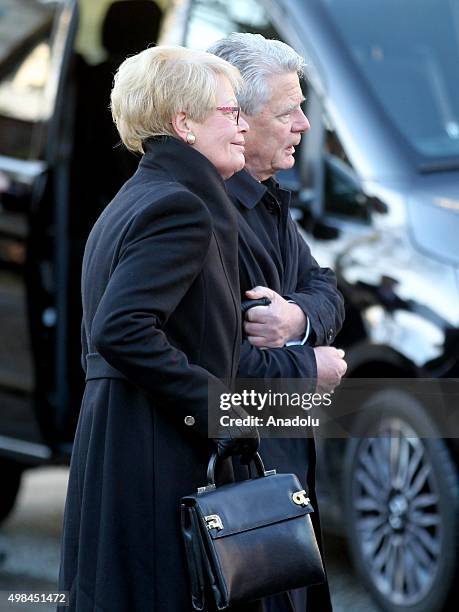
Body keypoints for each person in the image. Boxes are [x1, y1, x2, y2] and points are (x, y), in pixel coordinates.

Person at [58, 45, 259, 612]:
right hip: (154, 449)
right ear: (184, 124)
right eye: (228, 112)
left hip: (123, 439)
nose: (242, 124)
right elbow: (120, 329)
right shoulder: (181, 206)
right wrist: (218, 409)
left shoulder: (137, 197)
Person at [209, 33, 347, 611]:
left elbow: (327, 291)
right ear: (237, 117)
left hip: (284, 470)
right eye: (287, 111)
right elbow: (223, 367)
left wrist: (296, 319)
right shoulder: (210, 210)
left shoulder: (267, 195)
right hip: (242, 481)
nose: (304, 125)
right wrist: (306, 363)